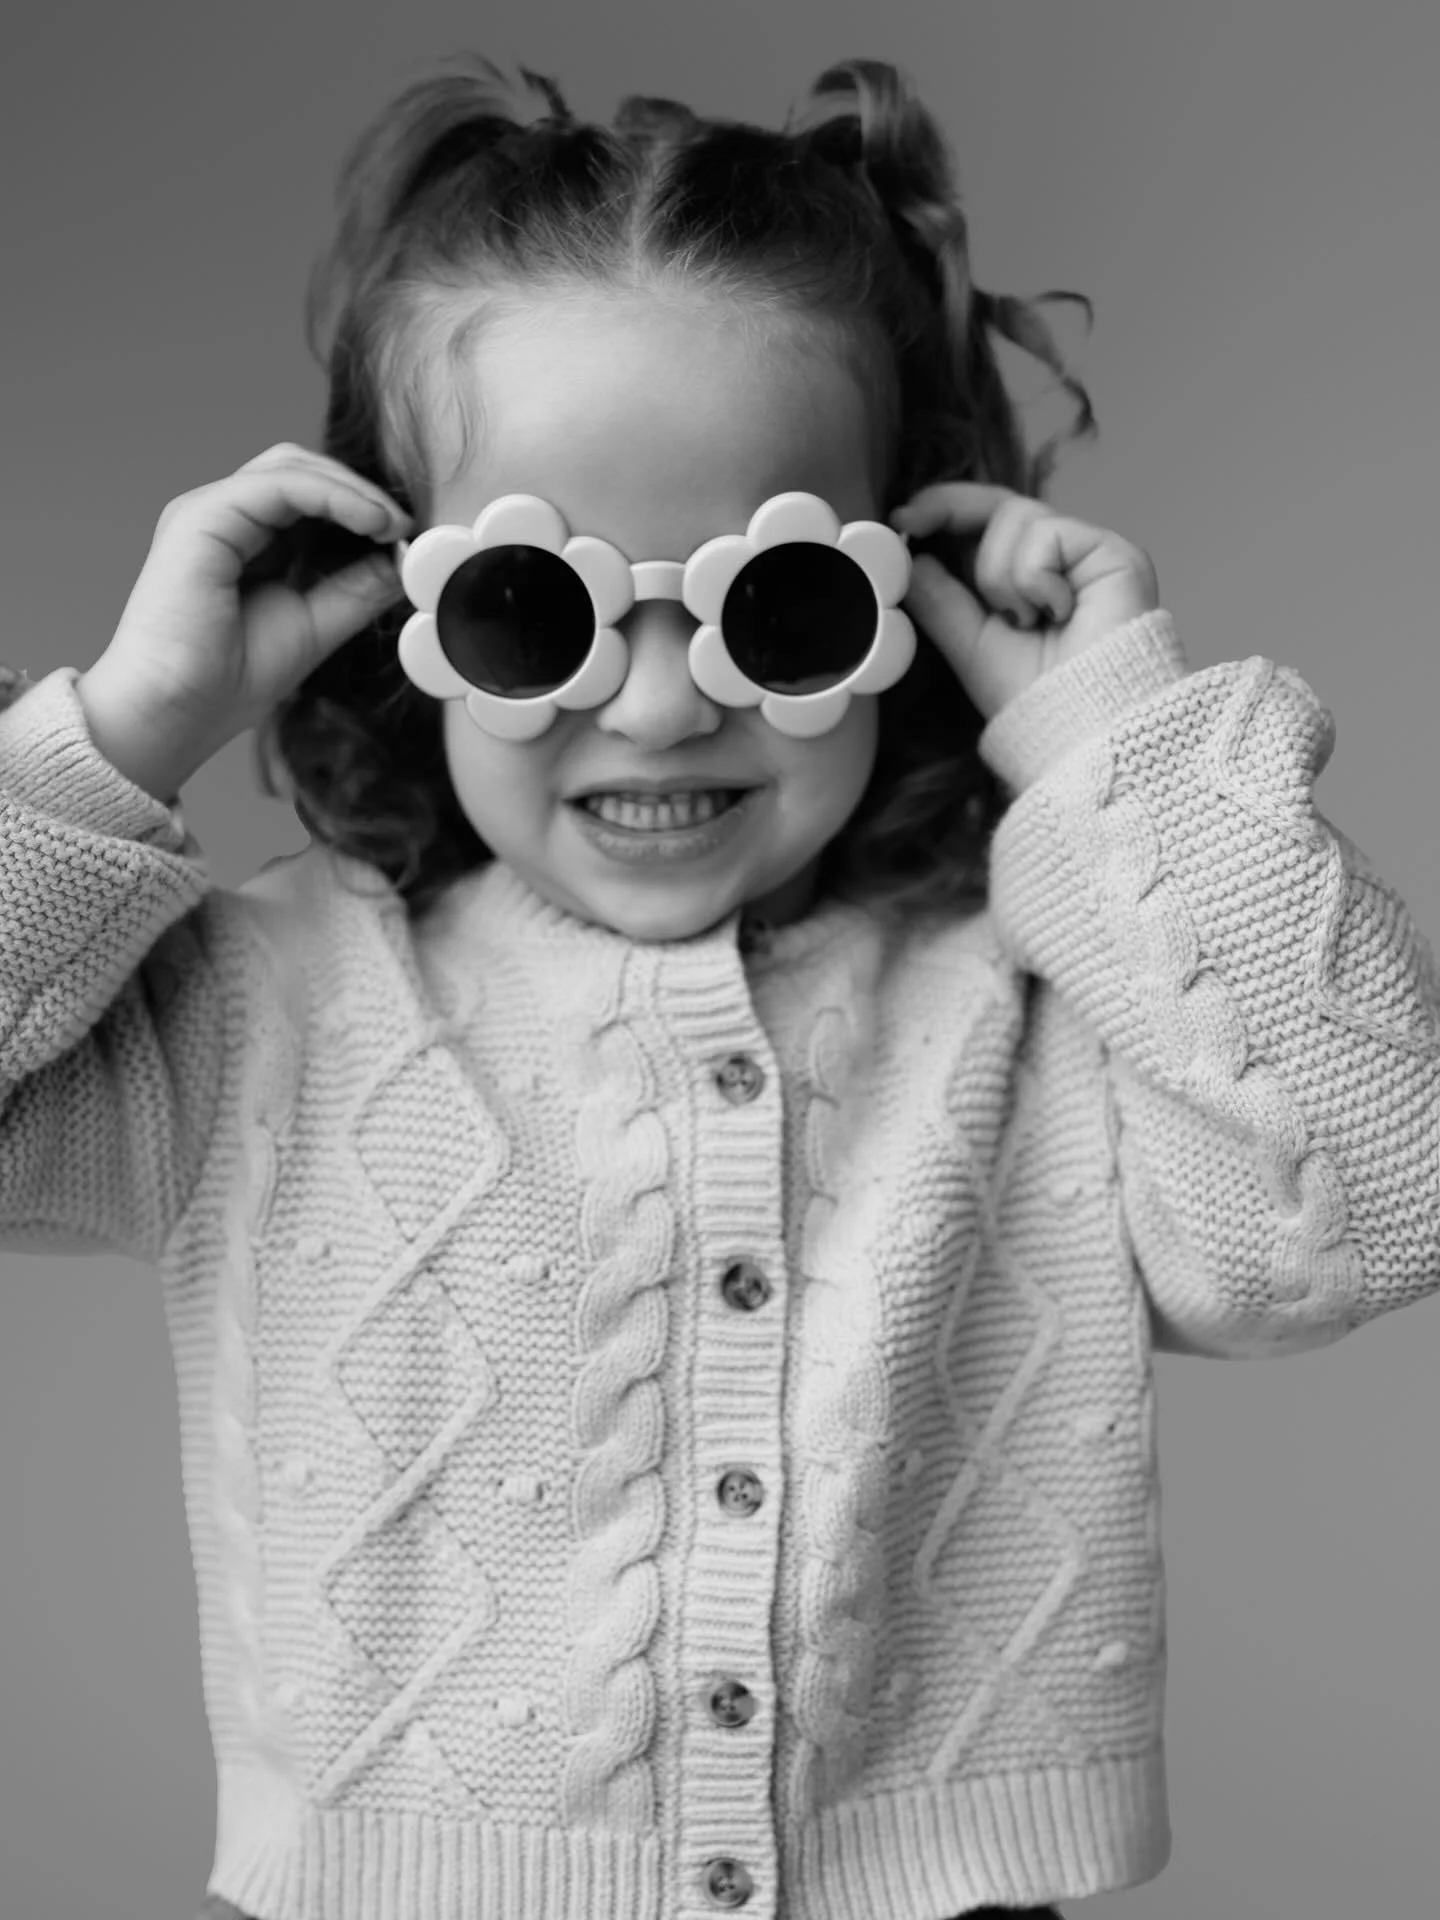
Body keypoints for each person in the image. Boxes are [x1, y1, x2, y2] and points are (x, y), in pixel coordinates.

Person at [3, 51, 1437, 1920]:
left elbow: (1373, 1201)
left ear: (903, 591)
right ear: (399, 604)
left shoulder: (1039, 1002)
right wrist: (129, 727)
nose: (667, 703)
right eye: (536, 608)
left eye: (780, 607)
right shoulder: (263, 1009)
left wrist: (1112, 731)